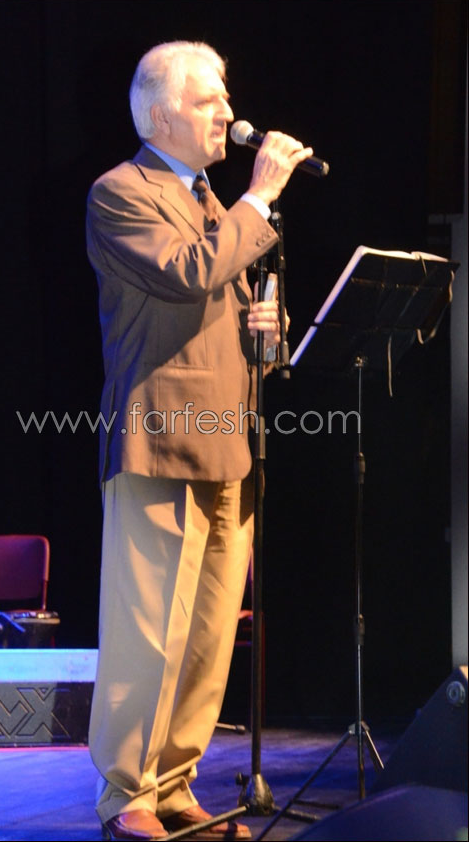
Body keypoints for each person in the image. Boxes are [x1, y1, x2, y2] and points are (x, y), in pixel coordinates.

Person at [85, 41, 313, 842]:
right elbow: (186, 274)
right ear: (160, 115)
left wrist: (267, 333)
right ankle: (128, 794)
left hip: (228, 441)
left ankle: (176, 785)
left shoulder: (217, 204)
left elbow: (227, 312)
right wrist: (260, 198)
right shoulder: (122, 192)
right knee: (149, 629)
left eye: (225, 97)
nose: (228, 112)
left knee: (209, 634)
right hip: (158, 438)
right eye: (208, 99)